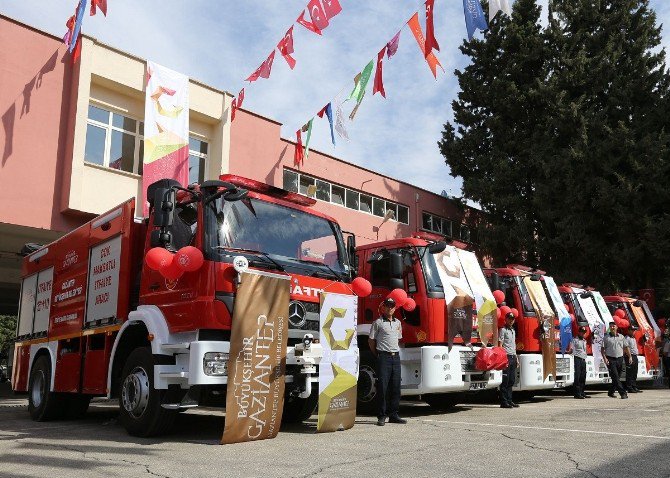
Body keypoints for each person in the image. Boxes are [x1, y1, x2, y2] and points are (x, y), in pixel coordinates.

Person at [368, 297, 406, 426]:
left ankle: (393, 414)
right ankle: (381, 415)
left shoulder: (398, 323)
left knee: (396, 387)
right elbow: (371, 341)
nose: (390, 308)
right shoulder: (377, 322)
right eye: (387, 306)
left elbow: (399, 339)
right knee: (383, 387)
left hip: (395, 357)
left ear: (395, 308)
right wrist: (377, 354)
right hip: (383, 357)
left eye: (392, 306)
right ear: (383, 307)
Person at [602, 322, 631, 399]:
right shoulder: (606, 337)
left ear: (617, 327)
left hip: (620, 358)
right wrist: (605, 359)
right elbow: (602, 349)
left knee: (617, 377)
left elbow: (626, 347)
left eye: (613, 326)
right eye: (610, 326)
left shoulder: (621, 337)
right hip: (610, 359)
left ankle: (611, 392)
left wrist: (630, 356)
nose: (612, 327)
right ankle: (623, 393)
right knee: (615, 376)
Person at [498, 312, 519, 408]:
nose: (511, 320)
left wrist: (517, 358)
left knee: (511, 380)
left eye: (512, 319)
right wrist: (501, 357)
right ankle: (504, 401)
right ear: (505, 319)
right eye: (509, 318)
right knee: (505, 380)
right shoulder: (503, 329)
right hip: (506, 356)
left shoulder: (513, 330)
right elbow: (500, 344)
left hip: (513, 357)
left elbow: (513, 346)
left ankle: (510, 400)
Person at [568, 326, 589, 399]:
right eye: (582, 332)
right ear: (579, 332)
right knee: (577, 375)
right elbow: (571, 348)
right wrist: (569, 351)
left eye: (584, 333)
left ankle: (582, 392)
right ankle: (577, 393)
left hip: (583, 359)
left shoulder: (584, 340)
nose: (583, 334)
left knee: (583, 376)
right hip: (577, 358)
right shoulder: (575, 340)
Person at [623, 327, 641, 393]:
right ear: (628, 330)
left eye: (634, 330)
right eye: (632, 330)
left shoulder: (633, 338)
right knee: (629, 373)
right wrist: (629, 356)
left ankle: (634, 386)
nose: (633, 331)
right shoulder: (626, 338)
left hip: (635, 355)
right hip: (629, 356)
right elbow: (625, 348)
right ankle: (629, 387)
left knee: (634, 372)